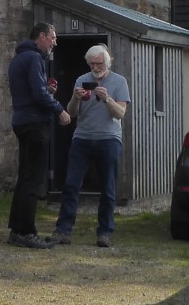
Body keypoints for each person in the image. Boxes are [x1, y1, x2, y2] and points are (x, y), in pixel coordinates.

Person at [47, 43, 129, 248]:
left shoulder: (119, 81)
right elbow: (72, 112)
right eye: (92, 64)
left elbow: (120, 113)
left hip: (109, 139)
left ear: (106, 62)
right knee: (71, 184)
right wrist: (75, 98)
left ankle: (104, 233)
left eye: (99, 63)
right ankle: (63, 230)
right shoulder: (82, 80)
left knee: (107, 188)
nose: (95, 67)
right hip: (82, 138)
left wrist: (107, 98)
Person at [7, 22, 72, 249]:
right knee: (33, 179)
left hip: (22, 121)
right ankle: (26, 232)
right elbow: (37, 94)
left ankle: (17, 230)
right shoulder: (34, 58)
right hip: (34, 124)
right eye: (52, 38)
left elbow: (32, 91)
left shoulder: (19, 58)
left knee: (25, 177)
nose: (55, 43)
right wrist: (59, 109)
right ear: (42, 36)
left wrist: (46, 90)